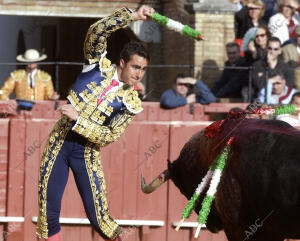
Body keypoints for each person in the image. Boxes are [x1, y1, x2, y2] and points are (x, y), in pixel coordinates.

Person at [36, 5, 154, 241]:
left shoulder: (130, 102)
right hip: (59, 142)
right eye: (135, 67)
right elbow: (96, 32)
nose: (139, 74)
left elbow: (109, 135)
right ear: (122, 62)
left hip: (86, 153)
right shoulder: (96, 65)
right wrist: (131, 16)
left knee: (100, 219)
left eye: (143, 69)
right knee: (47, 214)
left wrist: (79, 119)